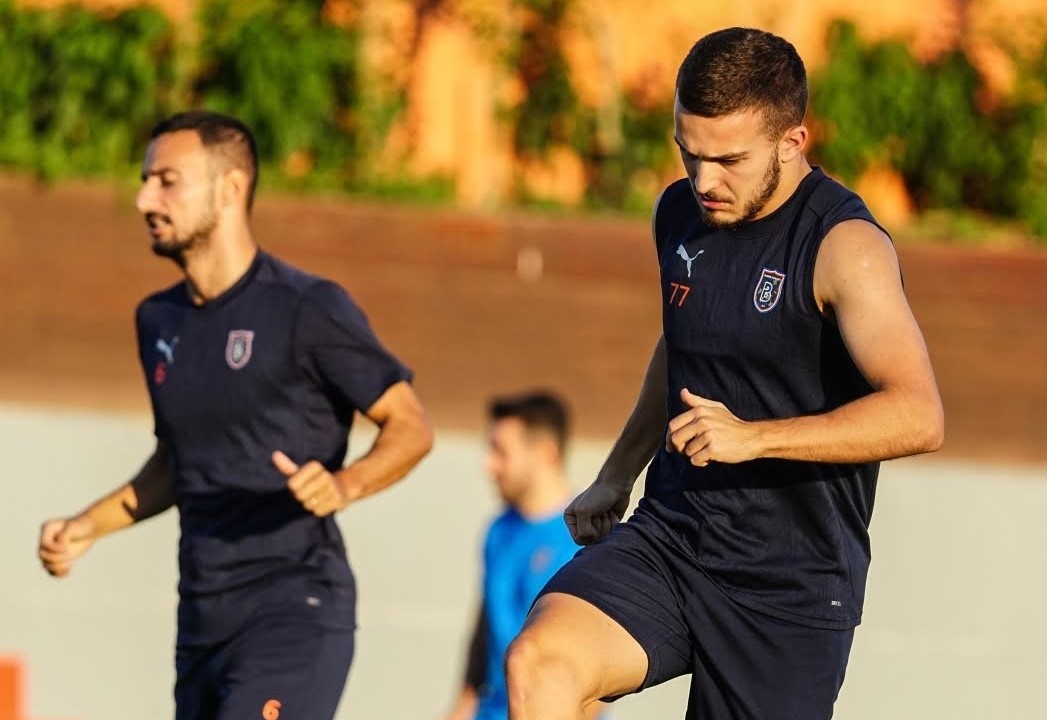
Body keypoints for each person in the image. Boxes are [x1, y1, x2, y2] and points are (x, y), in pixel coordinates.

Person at [504, 27, 945, 720]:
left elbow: (918, 414)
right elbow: (679, 347)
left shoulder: (844, 248)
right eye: (689, 152)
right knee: (541, 662)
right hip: (672, 537)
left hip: (790, 584)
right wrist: (618, 473)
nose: (705, 180)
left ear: (793, 141)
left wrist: (755, 438)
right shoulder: (678, 213)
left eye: (730, 160)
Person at [36, 110, 435, 720]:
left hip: (291, 611)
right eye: (145, 179)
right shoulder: (157, 321)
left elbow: (411, 425)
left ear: (231, 189)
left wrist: (343, 484)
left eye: (167, 180)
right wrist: (89, 526)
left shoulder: (308, 307)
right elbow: (180, 464)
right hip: (199, 623)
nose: (145, 197)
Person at [441, 392, 604, 720]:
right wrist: (460, 709)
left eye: (500, 451)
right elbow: (485, 629)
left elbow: (597, 667)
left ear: (545, 453)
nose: (489, 465)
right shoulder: (498, 530)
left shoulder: (588, 538)